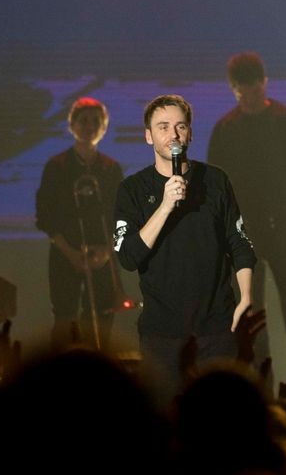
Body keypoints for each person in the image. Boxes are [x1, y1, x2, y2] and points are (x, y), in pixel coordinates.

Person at [113, 94, 256, 403]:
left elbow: (239, 240)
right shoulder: (133, 190)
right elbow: (127, 256)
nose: (173, 135)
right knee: (164, 420)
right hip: (162, 329)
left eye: (180, 126)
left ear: (190, 133)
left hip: (215, 324)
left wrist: (246, 296)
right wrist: (165, 206)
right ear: (148, 135)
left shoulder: (215, 180)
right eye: (163, 127)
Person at [207, 52, 286, 372]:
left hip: (285, 224)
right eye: (244, 91)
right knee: (249, 312)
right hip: (245, 232)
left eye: (255, 88)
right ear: (234, 89)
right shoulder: (225, 129)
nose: (251, 96)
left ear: (265, 83)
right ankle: (256, 383)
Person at [35, 97, 125, 351]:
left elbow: (122, 216)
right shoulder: (57, 166)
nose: (89, 126)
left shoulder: (110, 168)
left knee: (102, 319)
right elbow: (45, 216)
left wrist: (107, 252)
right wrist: (71, 253)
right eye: (83, 121)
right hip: (66, 253)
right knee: (65, 318)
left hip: (102, 255)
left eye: (95, 122)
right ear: (72, 125)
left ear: (104, 128)